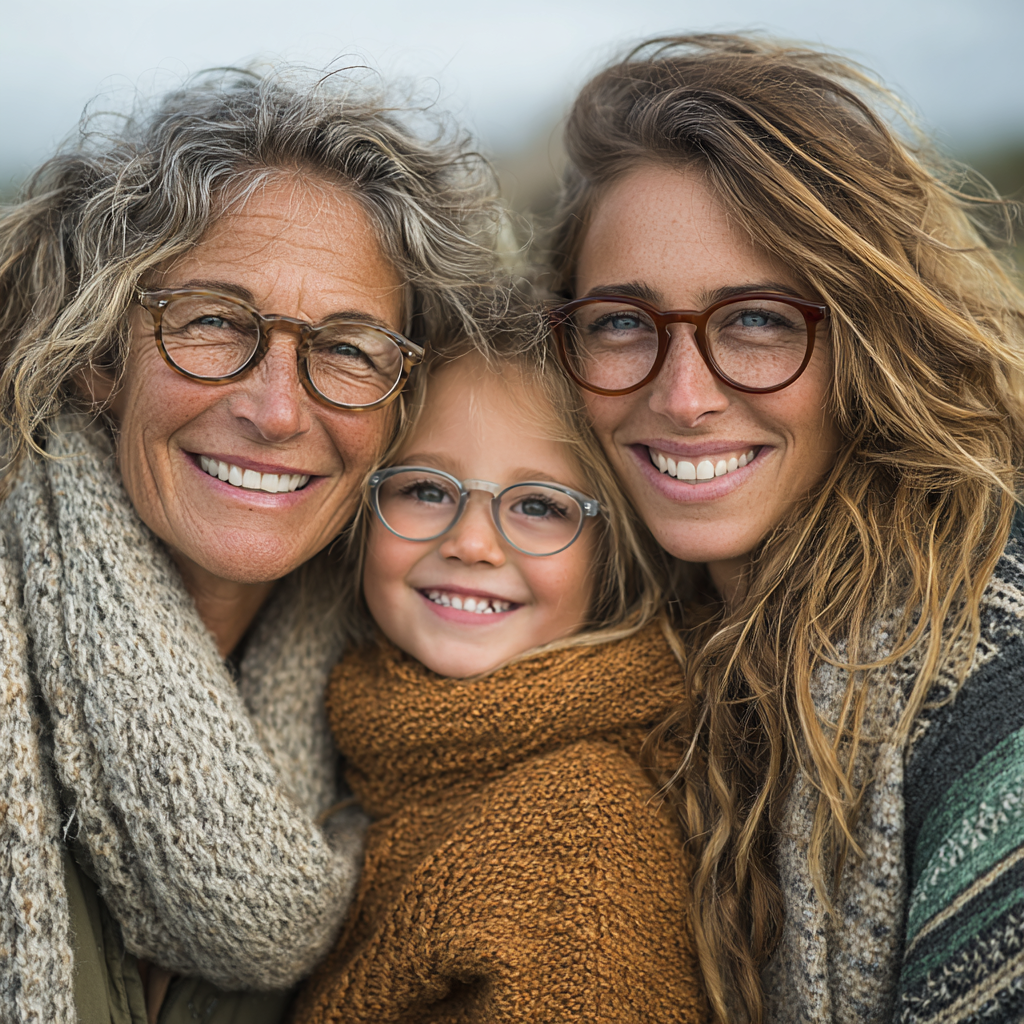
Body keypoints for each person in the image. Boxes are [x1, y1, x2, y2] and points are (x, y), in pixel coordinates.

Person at [0, 66, 501, 1024]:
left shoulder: (417, 719)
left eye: (351, 349)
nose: (276, 411)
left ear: (403, 407)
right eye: (217, 321)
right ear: (105, 353)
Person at [546, 34, 1024, 1024]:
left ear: (867, 337)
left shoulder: (989, 688)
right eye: (623, 323)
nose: (684, 398)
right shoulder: (594, 633)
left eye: (758, 320)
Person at [290, 320, 708, 1023]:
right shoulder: (376, 748)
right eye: (425, 489)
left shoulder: (578, 832)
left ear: (613, 554)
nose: (473, 542)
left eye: (541, 506)